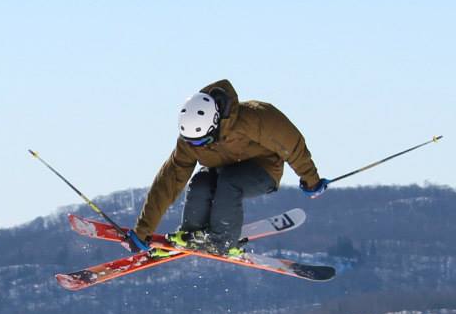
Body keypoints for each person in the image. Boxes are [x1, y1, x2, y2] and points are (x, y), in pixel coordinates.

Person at [133, 80, 326, 255]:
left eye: (204, 141)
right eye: (194, 143)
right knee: (200, 182)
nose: (200, 146)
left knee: (229, 183)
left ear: (215, 124)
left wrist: (311, 180)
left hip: (264, 170)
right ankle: (193, 234)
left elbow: (291, 144)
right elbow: (168, 183)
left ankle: (222, 241)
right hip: (223, 170)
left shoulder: (255, 117)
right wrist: (143, 230)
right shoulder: (189, 143)